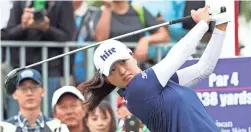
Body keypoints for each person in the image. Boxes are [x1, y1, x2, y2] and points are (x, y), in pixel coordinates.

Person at [78, 5, 230, 132]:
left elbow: (203, 69)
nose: (122, 71)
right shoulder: (136, 91)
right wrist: (202, 25)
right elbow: (176, 56)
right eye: (112, 70)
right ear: (107, 79)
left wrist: (220, 28)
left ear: (133, 56)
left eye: (123, 61)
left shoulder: (157, 84)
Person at [5, 0, 75, 117]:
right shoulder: (20, 3)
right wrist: (22, 26)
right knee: (16, 117)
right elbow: (7, 35)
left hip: (51, 70)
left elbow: (68, 37)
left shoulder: (63, 3)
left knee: (49, 117)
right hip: (21, 71)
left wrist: (47, 28)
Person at [94, 0, 170, 63]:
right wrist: (107, 8)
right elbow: (100, 39)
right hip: (112, 68)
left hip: (137, 66)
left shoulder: (139, 10)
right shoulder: (101, 11)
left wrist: (145, 40)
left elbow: (164, 36)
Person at [0, 69, 68, 132]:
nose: (29, 93)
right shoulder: (4, 128)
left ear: (43, 91)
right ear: (14, 94)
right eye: (23, 88)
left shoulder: (58, 128)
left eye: (34, 87)